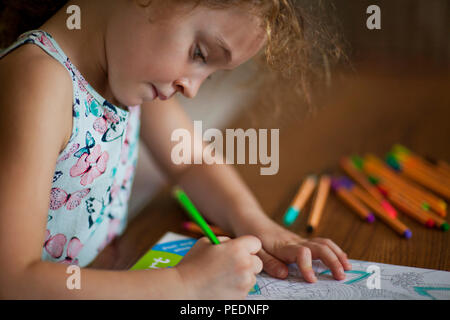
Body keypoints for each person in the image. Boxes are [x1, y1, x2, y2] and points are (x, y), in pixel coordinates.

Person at [0, 0, 351, 299]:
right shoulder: (39, 80)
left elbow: (192, 162)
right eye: (199, 53)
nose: (192, 89)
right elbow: (12, 279)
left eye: (210, 75)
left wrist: (258, 225)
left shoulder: (125, 74)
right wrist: (184, 284)